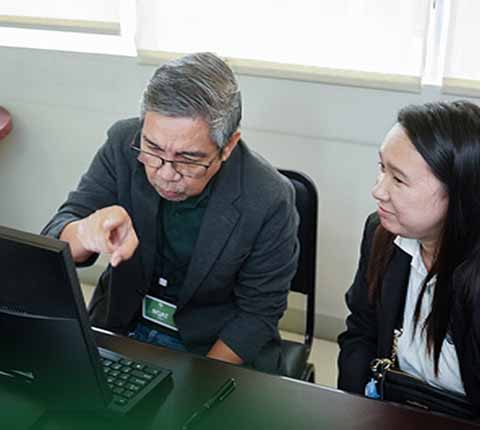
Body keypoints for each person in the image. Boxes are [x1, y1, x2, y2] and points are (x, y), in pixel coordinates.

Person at [42, 52, 299, 374]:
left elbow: (257, 315)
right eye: (152, 149)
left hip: (210, 346)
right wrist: (85, 233)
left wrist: (200, 383)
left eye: (188, 159)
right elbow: (57, 234)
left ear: (228, 146)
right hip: (121, 325)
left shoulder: (268, 197)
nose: (165, 174)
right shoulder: (123, 143)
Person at [337, 100, 480, 415]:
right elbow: (360, 332)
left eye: (398, 179)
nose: (378, 190)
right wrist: (356, 410)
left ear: (459, 192)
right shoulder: (382, 233)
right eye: (382, 168)